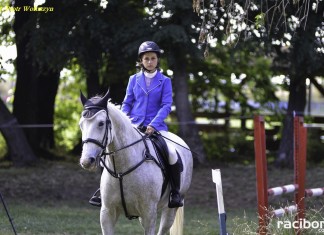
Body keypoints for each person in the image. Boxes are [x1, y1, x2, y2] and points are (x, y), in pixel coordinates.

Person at [89, 41, 183, 208]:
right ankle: (101, 190)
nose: (150, 61)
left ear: (157, 60)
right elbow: (127, 103)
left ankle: (175, 192)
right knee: (108, 154)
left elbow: (166, 105)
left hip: (157, 128)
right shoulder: (133, 79)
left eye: (153, 58)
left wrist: (154, 124)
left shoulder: (165, 81)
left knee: (172, 154)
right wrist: (125, 121)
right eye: (146, 58)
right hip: (133, 126)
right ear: (141, 60)